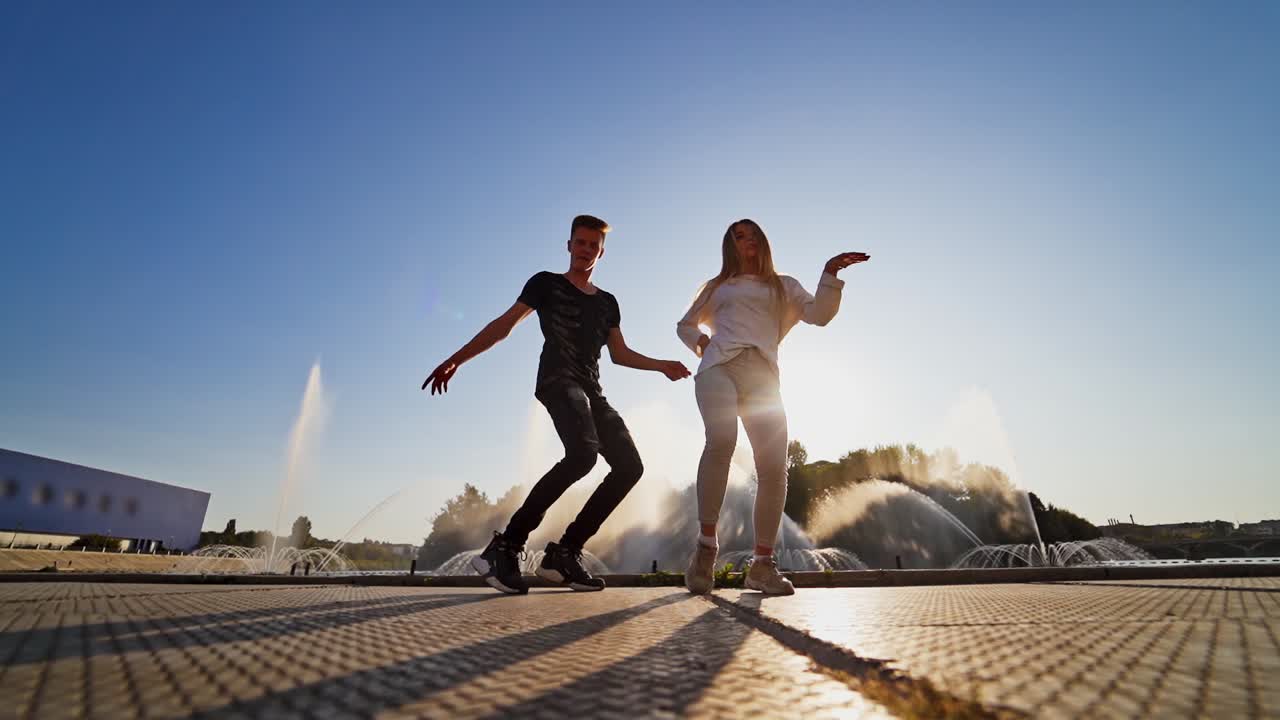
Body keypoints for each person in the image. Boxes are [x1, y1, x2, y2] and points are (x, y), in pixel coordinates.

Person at [423, 214, 690, 594]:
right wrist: (457, 358)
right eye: (579, 243)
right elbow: (504, 326)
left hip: (592, 390)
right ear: (569, 245)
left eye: (592, 246)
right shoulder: (545, 284)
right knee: (583, 455)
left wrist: (661, 365)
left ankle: (564, 554)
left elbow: (619, 353)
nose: (585, 251)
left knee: (630, 466)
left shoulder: (608, 303)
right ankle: (505, 547)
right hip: (557, 381)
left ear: (601, 252)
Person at [677, 219, 869, 595]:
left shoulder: (784, 285)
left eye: (751, 233)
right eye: (737, 236)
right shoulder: (718, 287)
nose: (746, 240)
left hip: (763, 374)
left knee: (773, 466)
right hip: (719, 367)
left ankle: (762, 566)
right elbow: (685, 324)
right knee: (722, 440)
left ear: (763, 240)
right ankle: (705, 548)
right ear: (729, 247)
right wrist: (701, 342)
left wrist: (830, 275)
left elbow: (820, 315)